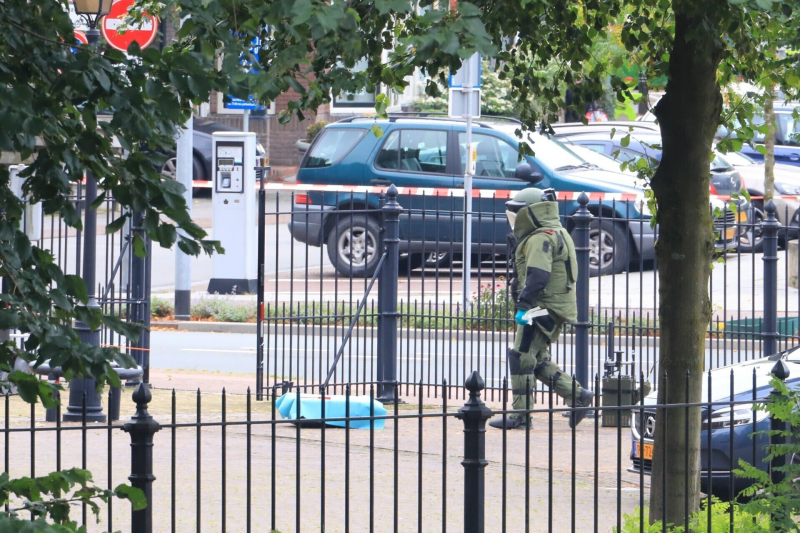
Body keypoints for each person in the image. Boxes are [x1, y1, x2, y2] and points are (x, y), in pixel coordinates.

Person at [488, 185, 594, 430]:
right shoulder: (556, 232)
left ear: (531, 213)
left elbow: (537, 276)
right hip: (555, 306)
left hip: (541, 308)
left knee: (521, 356)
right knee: (537, 358)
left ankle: (521, 416)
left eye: (517, 214)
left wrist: (524, 307)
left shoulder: (539, 238)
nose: (513, 220)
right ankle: (578, 396)